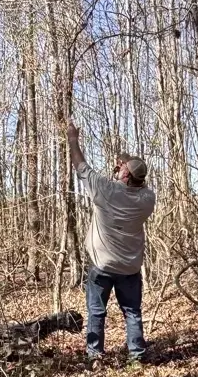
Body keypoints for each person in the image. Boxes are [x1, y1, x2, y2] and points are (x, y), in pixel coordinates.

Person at [66, 121, 156, 362]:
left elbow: (81, 166)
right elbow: (136, 179)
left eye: (123, 169)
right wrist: (124, 166)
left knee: (96, 312)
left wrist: (73, 139)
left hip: (102, 267)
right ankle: (136, 356)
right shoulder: (147, 199)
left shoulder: (105, 190)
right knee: (132, 313)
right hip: (129, 268)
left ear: (124, 174)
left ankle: (95, 356)